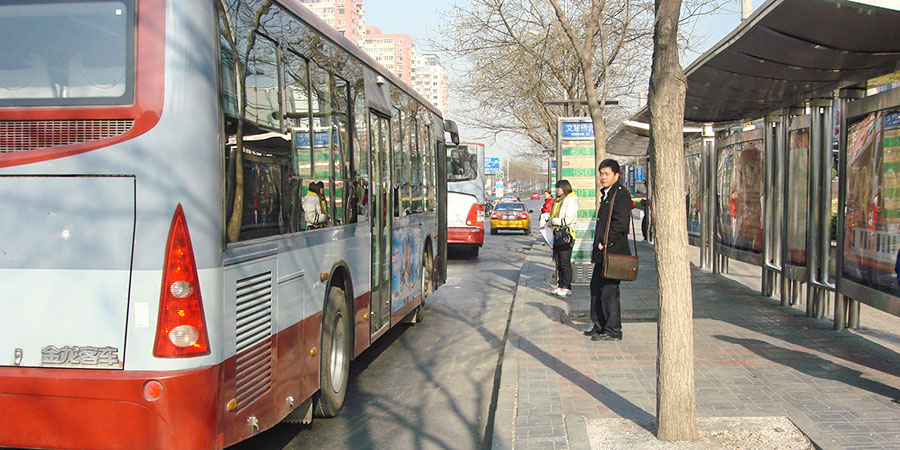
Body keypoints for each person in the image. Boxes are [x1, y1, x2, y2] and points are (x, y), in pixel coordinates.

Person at [586, 159, 632, 341]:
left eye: (606, 174)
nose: (603, 177)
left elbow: (620, 224)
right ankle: (599, 325)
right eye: (601, 174)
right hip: (602, 253)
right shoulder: (607, 194)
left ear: (616, 175)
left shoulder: (621, 195)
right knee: (596, 287)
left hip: (613, 252)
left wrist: (605, 242)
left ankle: (613, 330)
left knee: (609, 291)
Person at [549, 180, 578, 297]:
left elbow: (568, 219)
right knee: (558, 261)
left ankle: (566, 286)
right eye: (556, 188)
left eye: (559, 188)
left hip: (566, 234)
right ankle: (560, 284)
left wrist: (554, 221)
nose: (557, 190)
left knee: (565, 262)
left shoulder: (570, 200)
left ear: (565, 188)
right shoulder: (559, 200)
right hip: (557, 233)